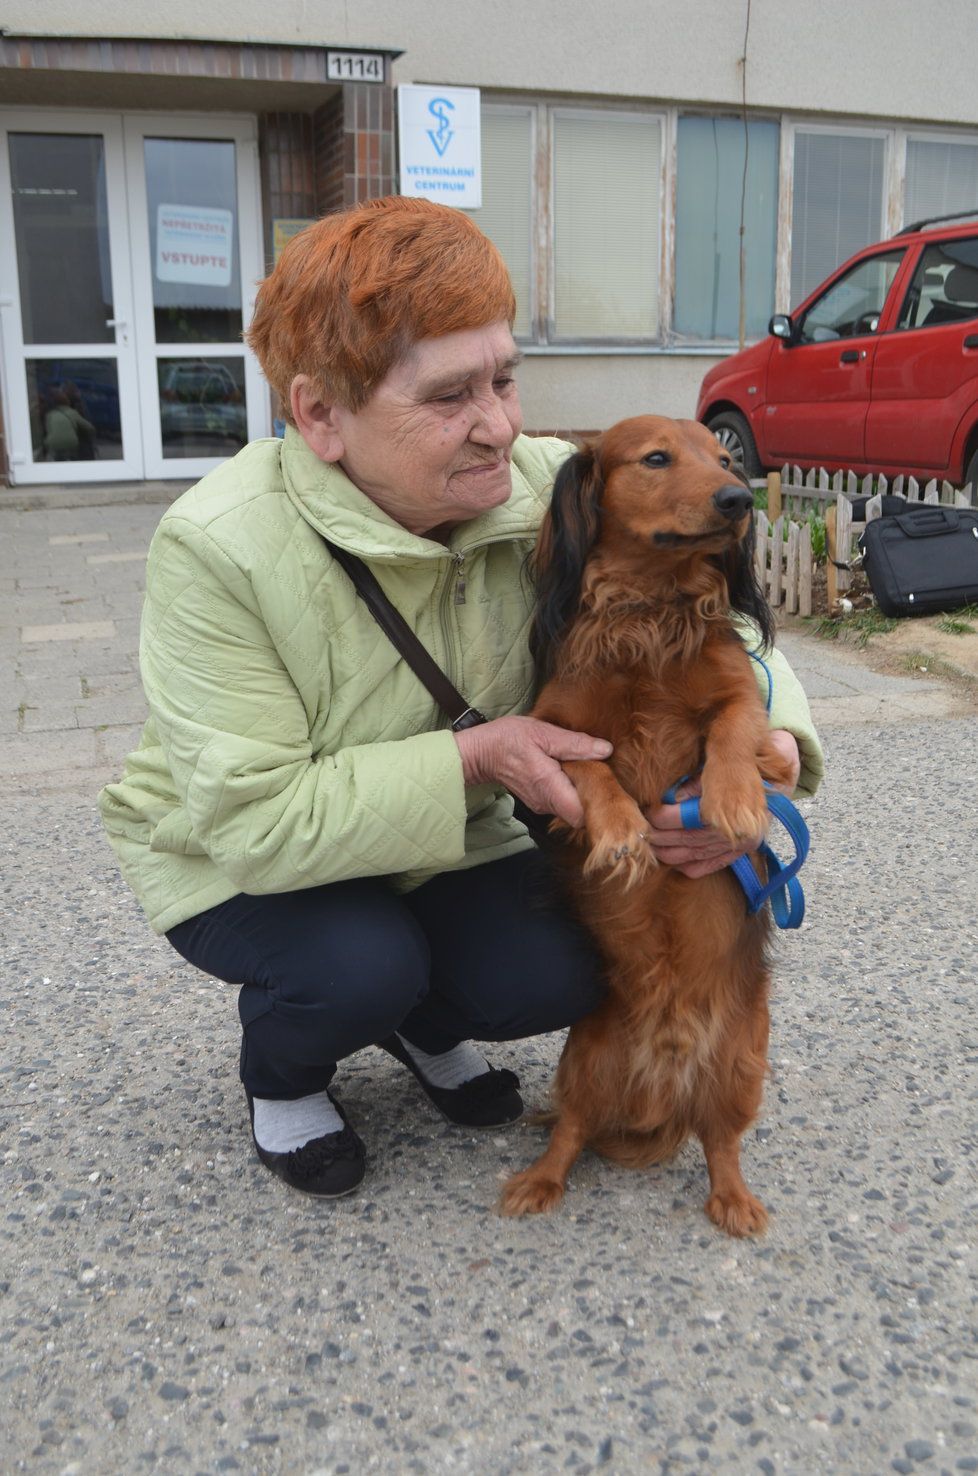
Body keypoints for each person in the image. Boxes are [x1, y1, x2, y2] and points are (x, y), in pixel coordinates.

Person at [99, 197, 823, 1199]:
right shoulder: (216, 549)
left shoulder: (538, 486)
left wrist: (771, 738)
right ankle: (286, 1076)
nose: (497, 425)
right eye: (449, 397)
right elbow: (254, 821)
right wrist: (479, 758)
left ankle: (421, 1020)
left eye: (505, 378)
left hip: (436, 834)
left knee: (560, 962)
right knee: (357, 965)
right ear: (320, 415)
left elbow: (710, 622)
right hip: (238, 856)